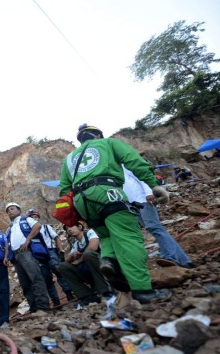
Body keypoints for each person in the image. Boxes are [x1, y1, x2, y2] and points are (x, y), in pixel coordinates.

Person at [59, 124, 172, 304]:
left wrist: (78, 210)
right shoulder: (108, 143)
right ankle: (143, 291)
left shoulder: (70, 159)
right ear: (98, 135)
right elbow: (134, 161)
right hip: (107, 191)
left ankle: (108, 261)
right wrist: (153, 184)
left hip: (83, 201)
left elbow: (64, 189)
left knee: (107, 236)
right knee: (128, 237)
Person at [122, 166, 194, 268]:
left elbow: (142, 177)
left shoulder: (125, 165)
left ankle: (170, 256)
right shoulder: (110, 168)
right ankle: (185, 261)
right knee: (153, 228)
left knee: (154, 227)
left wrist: (148, 192)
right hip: (132, 204)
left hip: (142, 199)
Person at [5, 202, 50, 314]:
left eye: (12, 208)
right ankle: (34, 308)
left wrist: (28, 239)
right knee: (25, 283)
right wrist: (6, 256)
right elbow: (7, 243)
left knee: (35, 278)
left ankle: (43, 307)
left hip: (26, 252)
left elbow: (37, 226)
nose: (10, 211)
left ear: (19, 210)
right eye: (8, 210)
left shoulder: (26, 219)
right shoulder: (9, 228)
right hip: (15, 256)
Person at [58, 221, 113, 306]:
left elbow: (93, 247)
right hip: (87, 271)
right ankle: (86, 296)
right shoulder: (76, 243)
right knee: (62, 266)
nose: (69, 229)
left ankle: (105, 291)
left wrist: (79, 260)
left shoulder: (90, 233)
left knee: (89, 254)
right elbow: (66, 261)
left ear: (80, 227)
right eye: (67, 229)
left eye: (71, 226)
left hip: (102, 267)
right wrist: (72, 255)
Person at [26, 208, 74, 304]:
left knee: (58, 270)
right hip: (38, 255)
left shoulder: (46, 227)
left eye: (36, 216)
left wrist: (60, 249)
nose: (34, 218)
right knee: (46, 277)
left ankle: (69, 294)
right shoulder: (27, 231)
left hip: (50, 251)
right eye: (32, 217)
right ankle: (56, 301)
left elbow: (56, 238)